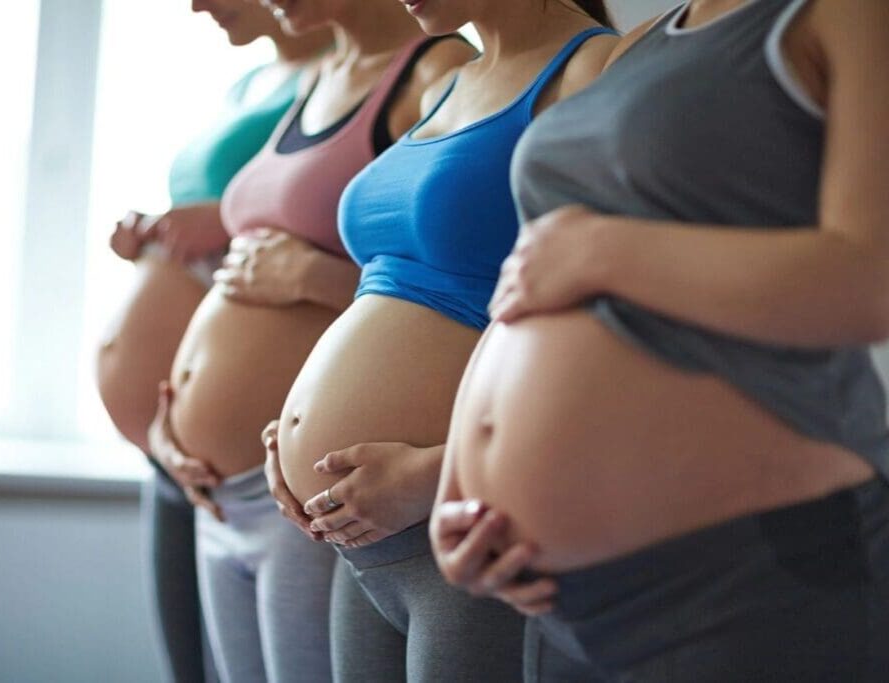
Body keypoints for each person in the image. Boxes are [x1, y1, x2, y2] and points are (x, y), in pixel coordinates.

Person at [431, 1, 889, 681]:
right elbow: (529, 281)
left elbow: (869, 283)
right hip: (555, 597)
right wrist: (456, 490)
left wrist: (601, 250)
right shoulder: (637, 47)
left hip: (747, 577)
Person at [263, 1, 618, 680]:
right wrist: (295, 429)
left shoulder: (595, 71)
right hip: (362, 546)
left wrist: (436, 473)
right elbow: (386, 297)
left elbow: (614, 341)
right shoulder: (445, 85)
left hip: (469, 528)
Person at [146, 0, 476, 680]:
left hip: (313, 493)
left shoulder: (438, 70)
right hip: (224, 488)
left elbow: (450, 278)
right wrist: (172, 421)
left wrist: (312, 275)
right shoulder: (318, 77)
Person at [95, 1, 329, 680]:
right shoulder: (247, 83)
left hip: (254, 458)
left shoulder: (342, 78)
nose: (198, 4)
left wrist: (222, 221)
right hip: (172, 445)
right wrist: (153, 234)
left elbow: (308, 221)